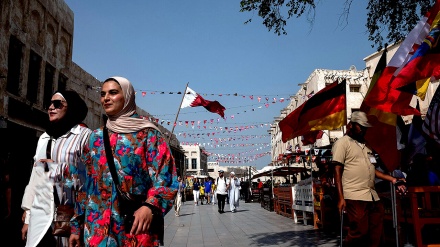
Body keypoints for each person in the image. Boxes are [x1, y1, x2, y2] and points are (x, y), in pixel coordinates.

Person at [69, 76, 178, 247]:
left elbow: (165, 178)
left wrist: (150, 207)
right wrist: (76, 226)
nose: (106, 98)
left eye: (113, 93)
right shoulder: (95, 138)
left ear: (127, 96)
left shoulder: (148, 134)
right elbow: (84, 184)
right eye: (103, 94)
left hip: (134, 229)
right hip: (96, 229)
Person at [21, 91, 91, 247]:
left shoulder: (84, 136)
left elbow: (89, 179)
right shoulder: (44, 138)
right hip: (39, 213)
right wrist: (28, 217)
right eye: (50, 104)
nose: (51, 108)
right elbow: (35, 177)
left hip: (68, 217)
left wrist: (78, 225)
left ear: (71, 108)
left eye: (57, 104)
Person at [333, 111, 406, 247]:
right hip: (354, 195)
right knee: (359, 231)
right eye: (361, 126)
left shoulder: (367, 145)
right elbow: (337, 170)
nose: (363, 129)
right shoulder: (342, 143)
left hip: (371, 195)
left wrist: (393, 179)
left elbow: (373, 169)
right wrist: (341, 198)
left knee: (376, 232)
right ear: (351, 125)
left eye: (365, 126)